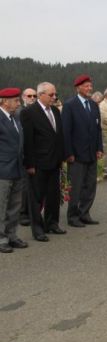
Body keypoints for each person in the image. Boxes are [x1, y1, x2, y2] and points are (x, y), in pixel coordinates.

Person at [20, 82, 66, 241]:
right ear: (41, 95)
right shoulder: (29, 112)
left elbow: (58, 136)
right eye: (51, 95)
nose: (54, 97)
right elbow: (28, 140)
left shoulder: (55, 111)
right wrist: (30, 164)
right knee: (36, 197)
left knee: (53, 195)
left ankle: (52, 223)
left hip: (54, 161)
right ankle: (38, 229)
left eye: (55, 94)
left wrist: (61, 158)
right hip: (38, 163)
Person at [62, 74, 103, 227]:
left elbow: (98, 129)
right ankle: (72, 217)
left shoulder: (93, 105)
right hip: (76, 155)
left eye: (90, 86)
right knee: (77, 187)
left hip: (92, 153)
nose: (89, 88)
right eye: (86, 86)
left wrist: (99, 148)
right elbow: (66, 132)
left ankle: (84, 213)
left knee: (90, 186)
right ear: (78, 88)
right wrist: (69, 153)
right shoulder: (69, 105)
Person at [0, 88, 28, 253]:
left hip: (18, 168)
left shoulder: (15, 118)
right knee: (1, 206)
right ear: (4, 101)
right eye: (16, 100)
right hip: (3, 169)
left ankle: (11, 235)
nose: (19, 103)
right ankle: (1, 238)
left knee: (15, 205)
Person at [15, 87, 37, 226]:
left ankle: (31, 210)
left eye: (34, 96)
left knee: (34, 185)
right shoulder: (19, 112)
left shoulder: (36, 112)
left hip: (36, 153)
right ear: (23, 97)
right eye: (29, 96)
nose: (32, 98)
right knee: (25, 185)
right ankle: (23, 213)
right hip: (23, 154)